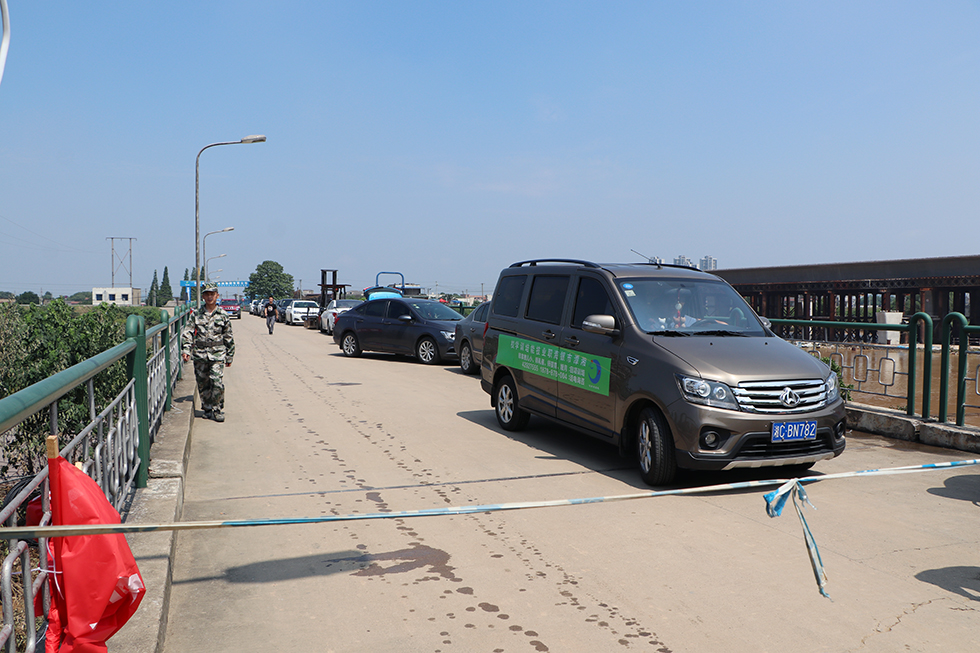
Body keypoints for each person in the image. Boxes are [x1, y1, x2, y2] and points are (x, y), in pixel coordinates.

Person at [181, 283, 235, 422]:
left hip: (217, 353)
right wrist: (186, 349)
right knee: (203, 383)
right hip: (200, 353)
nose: (210, 297)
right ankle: (207, 408)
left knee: (216, 382)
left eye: (212, 294)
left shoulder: (223, 315)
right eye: (207, 294)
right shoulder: (196, 314)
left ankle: (217, 409)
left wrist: (230, 355)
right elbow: (188, 332)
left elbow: (228, 336)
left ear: (217, 296)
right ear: (203, 296)